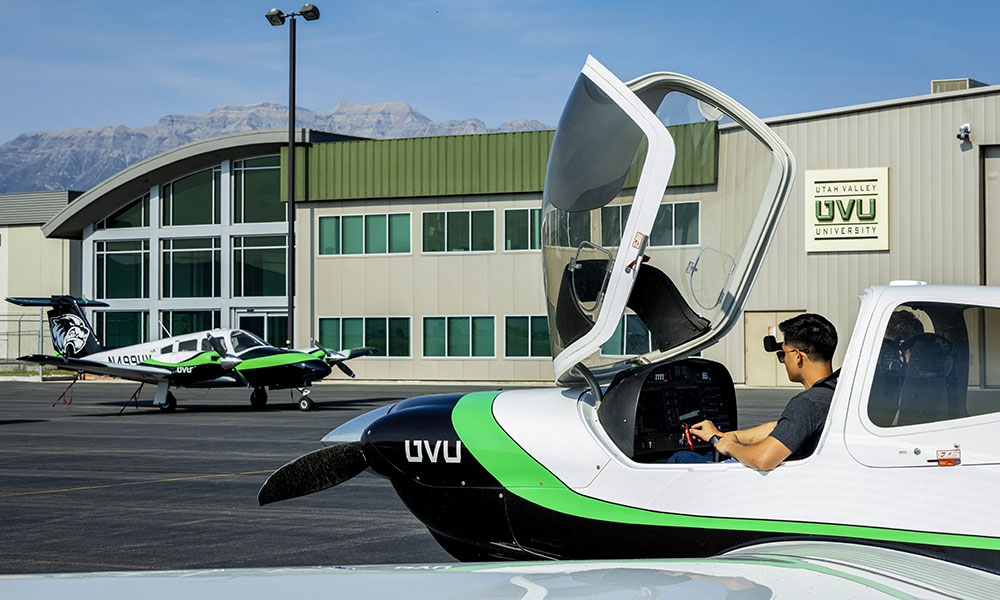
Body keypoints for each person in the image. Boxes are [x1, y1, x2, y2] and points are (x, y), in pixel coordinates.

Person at [670, 313, 839, 471]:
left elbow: (763, 459)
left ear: (798, 357)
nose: (783, 361)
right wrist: (722, 435)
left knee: (680, 457)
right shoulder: (834, 393)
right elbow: (780, 427)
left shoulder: (808, 403)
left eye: (782, 355)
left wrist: (728, 446)